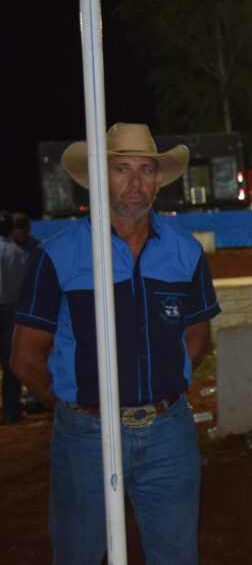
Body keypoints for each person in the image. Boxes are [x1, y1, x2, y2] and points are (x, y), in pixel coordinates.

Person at [11, 123, 219, 564]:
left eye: (146, 169)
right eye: (121, 168)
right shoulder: (57, 255)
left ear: (160, 179)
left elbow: (198, 335)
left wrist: (165, 381)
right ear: (99, 178)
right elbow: (26, 358)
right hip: (86, 437)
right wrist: (77, 407)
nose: (135, 182)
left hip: (169, 433)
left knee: (177, 555)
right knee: (79, 555)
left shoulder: (186, 252)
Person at [0, 211, 27, 424]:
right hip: (10, 311)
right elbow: (23, 289)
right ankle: (12, 411)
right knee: (10, 362)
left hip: (9, 308)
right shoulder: (17, 253)